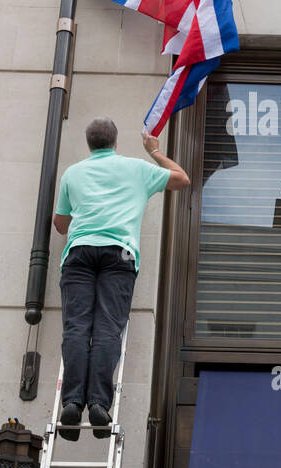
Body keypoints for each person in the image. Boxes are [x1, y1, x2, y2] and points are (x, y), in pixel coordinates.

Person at [52, 117, 188, 440]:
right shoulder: (137, 169)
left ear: (90, 144)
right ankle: (99, 403)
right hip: (120, 254)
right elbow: (182, 179)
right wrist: (154, 152)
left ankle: (71, 401)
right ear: (115, 142)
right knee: (108, 328)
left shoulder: (72, 174)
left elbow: (60, 223)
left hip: (79, 253)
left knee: (76, 327)